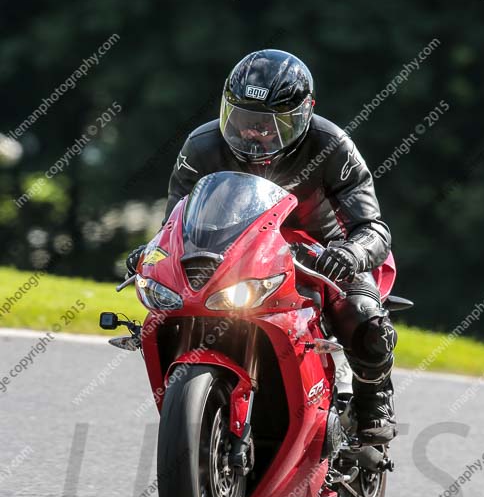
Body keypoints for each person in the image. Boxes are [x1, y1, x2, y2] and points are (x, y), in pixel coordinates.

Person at [127, 49, 397, 445]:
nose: (254, 133)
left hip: (323, 252)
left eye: (270, 125)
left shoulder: (333, 146)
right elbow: (175, 222)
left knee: (364, 317)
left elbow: (372, 227)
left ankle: (375, 401)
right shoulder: (201, 146)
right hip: (237, 251)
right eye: (244, 120)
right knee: (176, 304)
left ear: (304, 115)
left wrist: (351, 254)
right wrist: (152, 252)